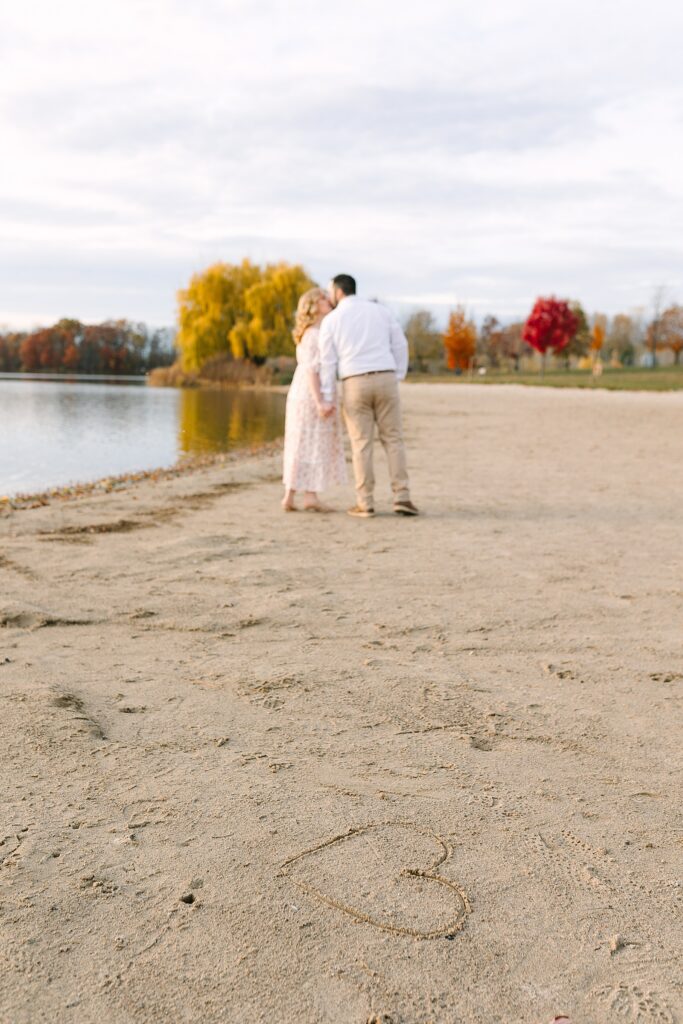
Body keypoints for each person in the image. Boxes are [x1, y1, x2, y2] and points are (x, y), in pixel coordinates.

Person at [318, 274, 418, 518]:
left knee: (361, 443)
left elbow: (327, 362)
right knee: (393, 439)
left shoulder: (332, 320)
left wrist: (328, 396)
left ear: (338, 291)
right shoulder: (380, 311)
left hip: (354, 381)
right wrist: (398, 374)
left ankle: (365, 502)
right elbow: (400, 344)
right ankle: (402, 496)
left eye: (330, 291)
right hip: (385, 376)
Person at [282, 287, 347, 512]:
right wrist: (320, 401)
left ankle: (296, 495)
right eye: (322, 298)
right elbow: (312, 370)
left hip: (305, 391)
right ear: (312, 305)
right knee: (309, 441)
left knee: (303, 441)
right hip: (310, 392)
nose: (328, 300)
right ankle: (302, 495)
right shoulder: (314, 334)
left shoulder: (314, 331)